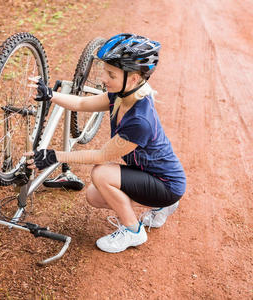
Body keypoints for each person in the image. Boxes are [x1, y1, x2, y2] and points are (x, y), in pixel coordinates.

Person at [25, 33, 186, 253]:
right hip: (152, 175)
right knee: (94, 195)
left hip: (166, 184)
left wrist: (55, 156)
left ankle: (133, 231)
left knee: (102, 174)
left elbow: (101, 156)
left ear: (133, 79)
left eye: (111, 74)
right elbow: (81, 103)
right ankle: (160, 206)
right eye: (105, 72)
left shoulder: (140, 120)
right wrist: (50, 95)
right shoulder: (122, 95)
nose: (103, 78)